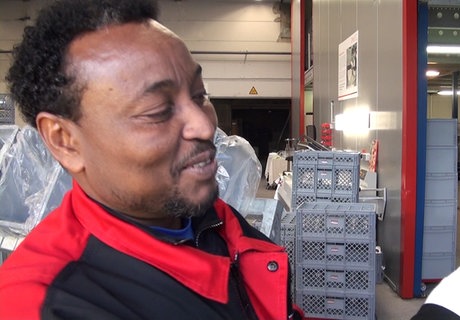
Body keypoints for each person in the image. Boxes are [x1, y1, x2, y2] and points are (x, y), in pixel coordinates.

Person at [0, 0, 302, 319]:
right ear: (65, 141)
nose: (204, 126)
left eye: (200, 95)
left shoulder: (209, 220)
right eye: (157, 112)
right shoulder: (46, 304)